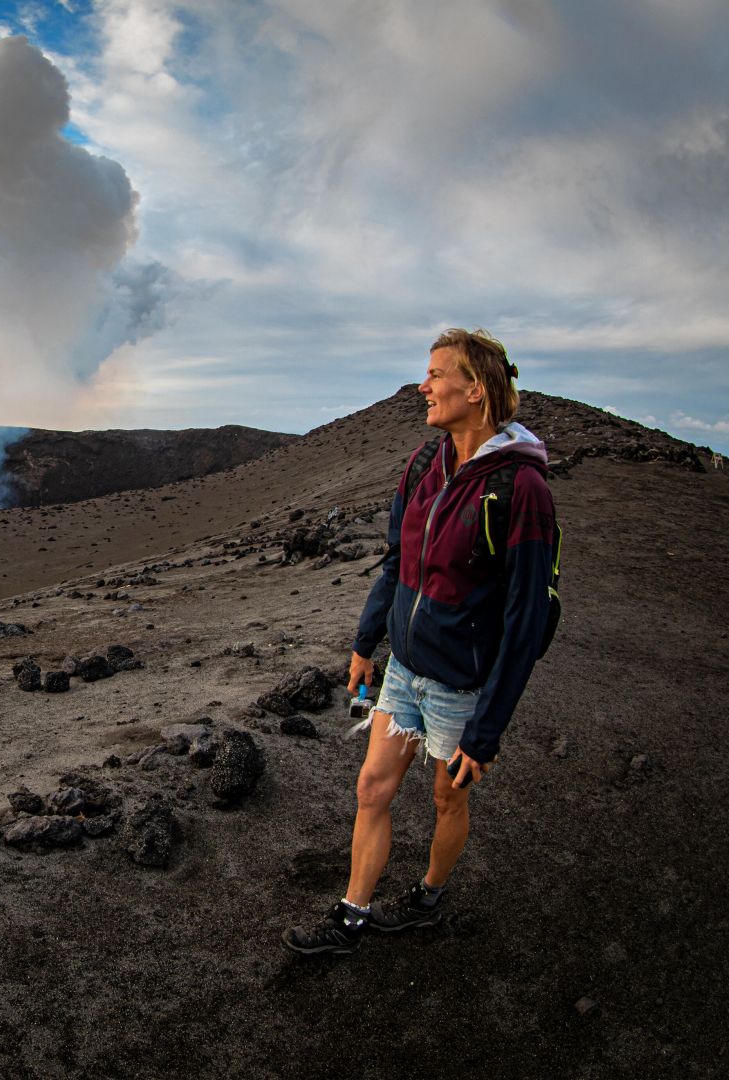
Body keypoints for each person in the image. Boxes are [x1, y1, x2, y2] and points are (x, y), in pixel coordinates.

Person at [283, 328, 557, 955]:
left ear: (477, 388)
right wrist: (365, 644)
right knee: (372, 788)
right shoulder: (424, 465)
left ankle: (429, 895)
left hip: (461, 683)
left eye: (436, 374)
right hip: (405, 669)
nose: (423, 386)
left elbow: (525, 621)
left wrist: (488, 731)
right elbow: (394, 563)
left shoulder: (522, 490)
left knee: (445, 798)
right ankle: (352, 915)